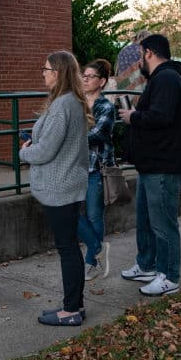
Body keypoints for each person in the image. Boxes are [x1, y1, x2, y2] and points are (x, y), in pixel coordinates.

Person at [118, 34, 181, 296]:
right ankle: (147, 264)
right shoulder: (161, 79)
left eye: (140, 54)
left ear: (149, 53)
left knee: (163, 224)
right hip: (152, 165)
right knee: (147, 220)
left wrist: (133, 116)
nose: (139, 60)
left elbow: (160, 117)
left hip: (164, 165)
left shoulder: (167, 79)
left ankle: (169, 276)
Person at [20, 51, 91, 326]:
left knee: (68, 248)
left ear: (59, 72)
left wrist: (24, 153)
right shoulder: (70, 102)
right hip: (66, 184)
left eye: (47, 68)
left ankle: (72, 309)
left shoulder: (64, 105)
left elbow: (47, 150)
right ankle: (73, 305)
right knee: (69, 247)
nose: (43, 72)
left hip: (61, 187)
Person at [78, 59, 116, 281]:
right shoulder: (76, 102)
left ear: (101, 81)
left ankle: (92, 262)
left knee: (93, 216)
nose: (85, 79)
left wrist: (70, 138)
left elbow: (97, 135)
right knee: (74, 213)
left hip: (96, 168)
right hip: (75, 168)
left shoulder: (106, 107)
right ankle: (98, 248)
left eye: (90, 76)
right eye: (83, 75)